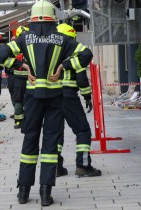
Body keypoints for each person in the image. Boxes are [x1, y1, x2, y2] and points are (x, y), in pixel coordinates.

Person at [0, 0, 85, 207]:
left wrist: (24, 67)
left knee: (29, 142)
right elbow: (86, 54)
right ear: (53, 19)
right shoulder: (62, 39)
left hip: (32, 100)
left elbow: (1, 54)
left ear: (32, 19)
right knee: (50, 144)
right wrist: (64, 66)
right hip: (55, 99)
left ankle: (23, 192)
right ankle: (46, 193)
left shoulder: (24, 38)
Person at [50, 23, 102, 178]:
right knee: (83, 131)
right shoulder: (74, 54)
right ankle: (83, 166)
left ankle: (56, 167)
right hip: (68, 97)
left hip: (51, 97)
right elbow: (81, 79)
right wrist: (87, 96)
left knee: (56, 132)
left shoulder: (49, 53)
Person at [6, 26, 30, 129]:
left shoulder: (15, 47)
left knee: (18, 99)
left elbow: (7, 59)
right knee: (31, 99)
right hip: (31, 77)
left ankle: (18, 122)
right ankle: (31, 120)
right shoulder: (31, 45)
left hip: (18, 78)